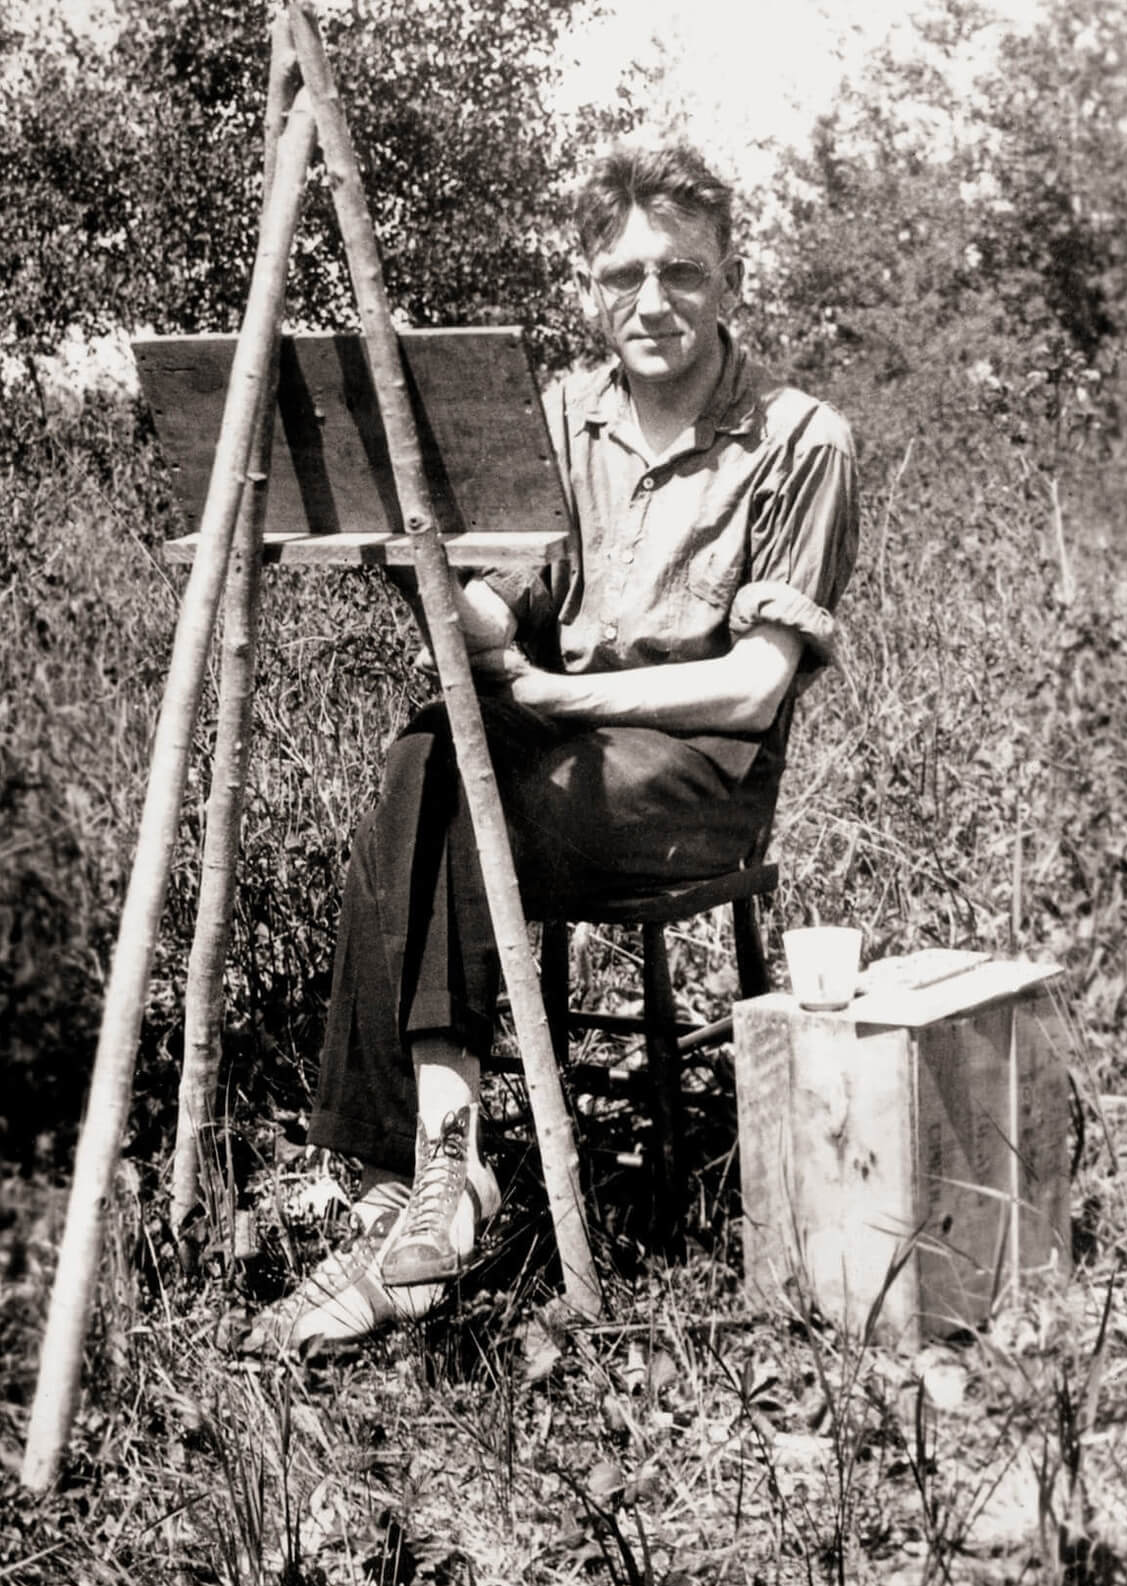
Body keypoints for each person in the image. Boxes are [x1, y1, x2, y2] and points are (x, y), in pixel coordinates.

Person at [241, 140, 859, 1354]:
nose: (652, 301)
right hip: (561, 752)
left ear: (729, 277)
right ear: (587, 284)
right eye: (622, 274)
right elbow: (497, 619)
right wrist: (409, 557)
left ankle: (399, 1170)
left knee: (470, 775)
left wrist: (548, 697)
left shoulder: (798, 438)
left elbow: (750, 690)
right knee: (429, 748)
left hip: (694, 783)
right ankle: (445, 1166)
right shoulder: (563, 418)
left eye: (682, 272)